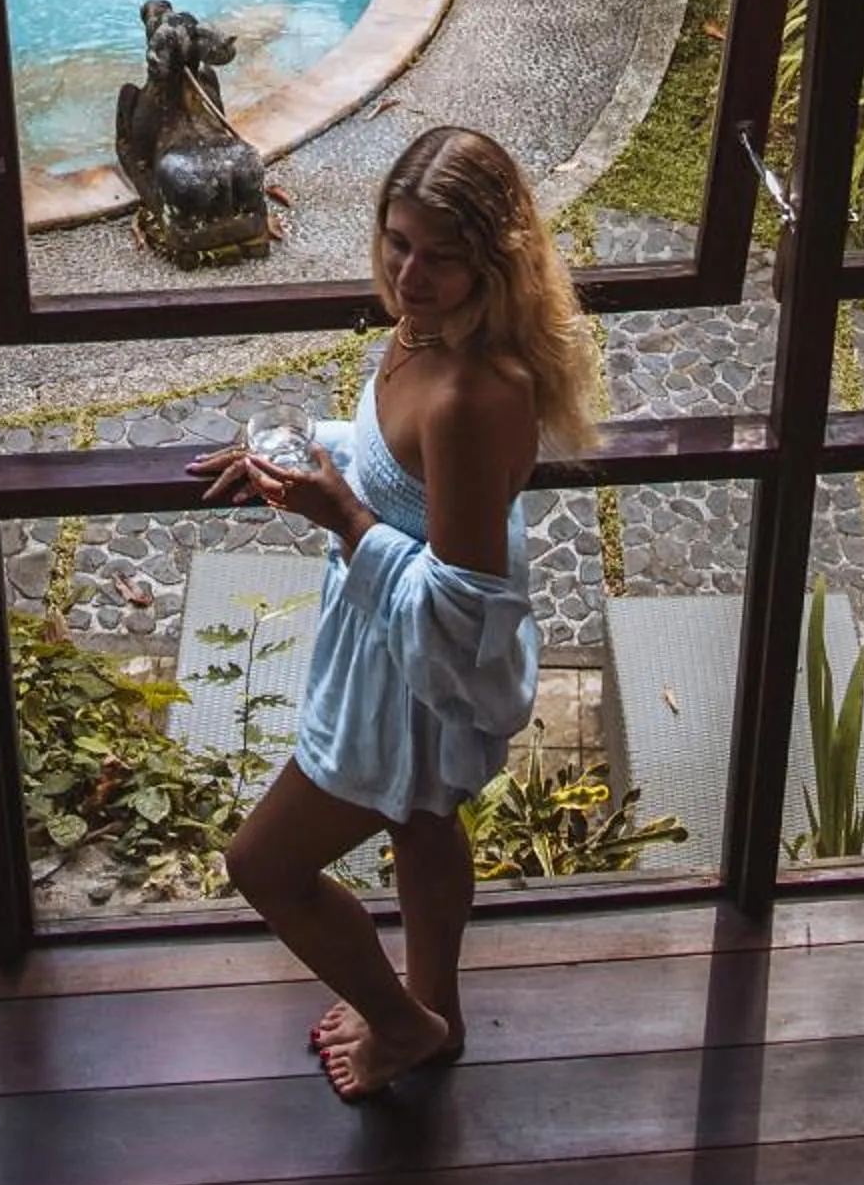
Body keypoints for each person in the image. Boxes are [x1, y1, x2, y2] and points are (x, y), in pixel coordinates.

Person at [189, 126, 600, 1100]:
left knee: (265, 866)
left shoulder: (471, 393)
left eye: (440, 256)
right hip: (388, 643)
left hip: (408, 677)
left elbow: (460, 608)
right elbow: (395, 463)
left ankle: (398, 1021)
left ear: (491, 262)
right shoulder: (428, 331)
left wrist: (344, 521)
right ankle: (439, 1017)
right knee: (422, 823)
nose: (409, 273)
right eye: (395, 241)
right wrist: (290, 456)